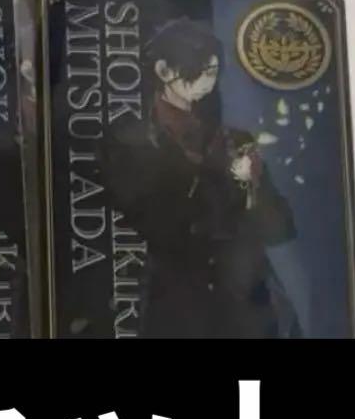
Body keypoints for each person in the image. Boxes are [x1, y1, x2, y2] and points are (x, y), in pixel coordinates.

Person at [114, 19, 300, 338]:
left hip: (245, 305)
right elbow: (157, 226)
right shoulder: (130, 143)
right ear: (163, 71)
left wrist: (252, 184)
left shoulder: (235, 140)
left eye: (212, 72)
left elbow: (279, 230)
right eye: (198, 71)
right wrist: (220, 177)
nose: (206, 82)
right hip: (179, 307)